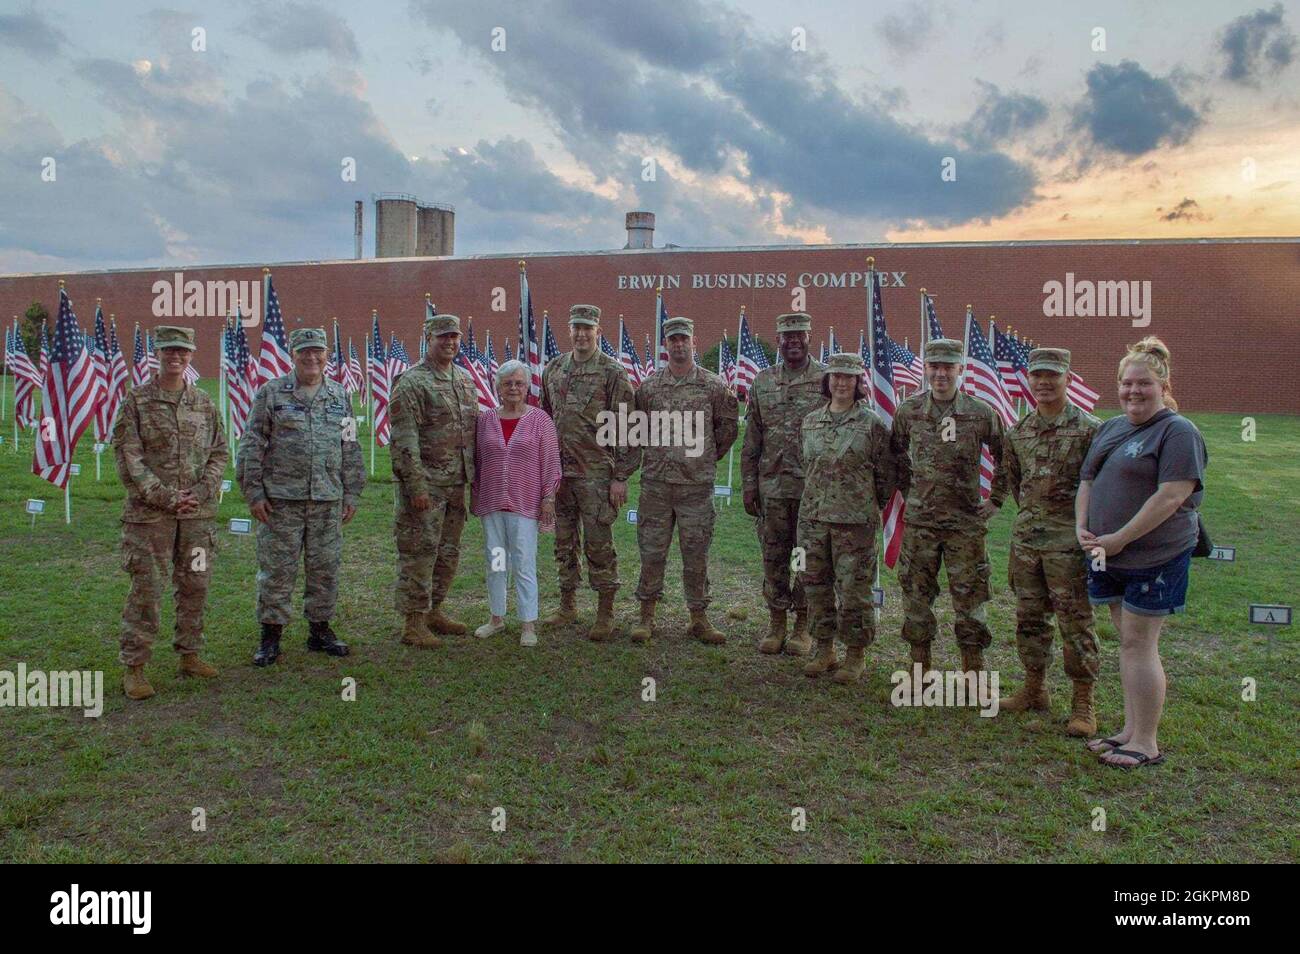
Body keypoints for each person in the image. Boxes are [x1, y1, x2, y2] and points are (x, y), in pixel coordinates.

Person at [1077, 337, 1207, 769]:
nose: (1134, 391)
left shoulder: (1177, 431)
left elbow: (1172, 495)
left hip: (1153, 556)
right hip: (1108, 554)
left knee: (1140, 644)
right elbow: (1088, 482)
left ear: (1163, 383)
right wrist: (1084, 526)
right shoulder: (1111, 428)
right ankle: (1128, 731)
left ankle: (1146, 741)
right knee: (1127, 643)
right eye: (1127, 383)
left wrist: (1121, 537)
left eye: (1144, 383)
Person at [237, 327, 365, 666]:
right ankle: (271, 634)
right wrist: (253, 492)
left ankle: (320, 630)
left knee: (325, 568)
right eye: (304, 352)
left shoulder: (340, 396)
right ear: (292, 355)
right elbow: (252, 443)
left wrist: (352, 491)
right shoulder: (272, 393)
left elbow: (350, 445)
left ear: (326, 355)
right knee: (277, 570)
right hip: (281, 500)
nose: (311, 358)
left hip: (327, 498)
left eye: (317, 351)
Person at [112, 325, 228, 699]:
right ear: (157, 354)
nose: (175, 357)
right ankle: (135, 666)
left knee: (195, 584)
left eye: (182, 351)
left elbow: (219, 453)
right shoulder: (137, 402)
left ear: (191, 355)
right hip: (151, 519)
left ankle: (190, 654)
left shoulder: (204, 403)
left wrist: (200, 492)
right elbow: (130, 459)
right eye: (168, 351)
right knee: (147, 588)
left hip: (196, 519)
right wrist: (165, 497)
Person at [990, 348, 1101, 734]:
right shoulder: (1018, 432)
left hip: (1069, 546)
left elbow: (1100, 488)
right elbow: (1017, 484)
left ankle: (1083, 702)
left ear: (1067, 378)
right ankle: (1034, 689)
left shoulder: (1090, 430)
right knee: (1029, 618)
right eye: (1037, 376)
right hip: (1026, 545)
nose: (1043, 383)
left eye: (1052, 375)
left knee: (1075, 623)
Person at [891, 337, 1005, 673]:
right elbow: (894, 454)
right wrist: (907, 490)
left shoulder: (980, 413)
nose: (940, 374)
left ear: (960, 370)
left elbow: (1005, 456)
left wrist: (996, 499)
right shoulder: (909, 410)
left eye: (947, 367)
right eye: (934, 366)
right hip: (921, 524)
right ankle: (919, 665)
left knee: (969, 598)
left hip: (964, 525)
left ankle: (973, 667)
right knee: (916, 595)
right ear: (925, 369)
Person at [630, 316, 739, 644]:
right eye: (672, 339)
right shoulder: (648, 388)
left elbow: (727, 429)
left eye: (684, 339)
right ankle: (646, 616)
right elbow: (638, 428)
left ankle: (698, 617)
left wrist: (702, 457)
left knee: (696, 554)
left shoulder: (713, 385)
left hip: (695, 488)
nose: (678, 344)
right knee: (651, 552)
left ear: (694, 342)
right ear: (665, 344)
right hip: (656, 487)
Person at [540, 304, 637, 641]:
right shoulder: (554, 369)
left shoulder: (612, 372)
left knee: (598, 545)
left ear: (598, 330)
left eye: (588, 328)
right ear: (569, 330)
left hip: (597, 474)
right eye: (576, 328)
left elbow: (627, 428)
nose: (581, 334)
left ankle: (605, 611)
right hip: (559, 475)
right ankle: (567, 605)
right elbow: (546, 418)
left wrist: (621, 477)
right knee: (563, 543)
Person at [796, 353, 894, 683]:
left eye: (848, 377)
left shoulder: (872, 425)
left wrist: (864, 503)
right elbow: (805, 464)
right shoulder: (809, 421)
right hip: (812, 520)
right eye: (836, 376)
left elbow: (886, 475)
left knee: (854, 590)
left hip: (855, 523)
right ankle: (824, 649)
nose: (841, 382)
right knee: (814, 584)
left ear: (858, 383)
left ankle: (855, 654)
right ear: (827, 381)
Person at [389, 313, 478, 649]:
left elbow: (472, 431)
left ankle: (434, 611)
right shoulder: (412, 382)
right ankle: (413, 623)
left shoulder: (464, 380)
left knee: (448, 552)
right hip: (426, 487)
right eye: (443, 337)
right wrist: (416, 487)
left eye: (454, 336)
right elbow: (404, 439)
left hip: (457, 485)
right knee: (419, 553)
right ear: (428, 338)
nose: (450, 342)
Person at [741, 312, 826, 656]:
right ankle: (776, 623)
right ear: (778, 340)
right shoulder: (763, 381)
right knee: (774, 557)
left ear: (809, 337)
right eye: (786, 336)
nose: (793, 341)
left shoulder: (826, 379)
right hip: (772, 489)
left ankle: (802, 626)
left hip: (811, 489)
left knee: (804, 557)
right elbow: (752, 439)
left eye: (799, 335)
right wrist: (749, 485)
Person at [472, 360, 562, 647]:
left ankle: (528, 624)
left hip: (526, 505)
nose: (513, 388)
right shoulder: (485, 420)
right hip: (493, 504)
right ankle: (496, 618)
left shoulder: (540, 421)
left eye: (519, 383)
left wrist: (549, 497)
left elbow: (551, 463)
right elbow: (477, 461)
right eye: (507, 383)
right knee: (496, 562)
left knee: (523, 563)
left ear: (527, 387)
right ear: (498, 387)